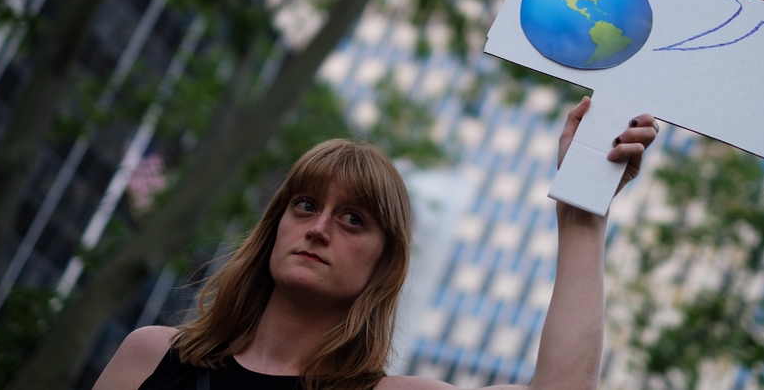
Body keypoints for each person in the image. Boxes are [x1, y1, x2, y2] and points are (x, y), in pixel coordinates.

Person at [94, 96, 658, 390]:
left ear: (384, 265)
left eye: (353, 220)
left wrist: (583, 208)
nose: (319, 228)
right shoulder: (151, 356)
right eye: (306, 205)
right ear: (275, 227)